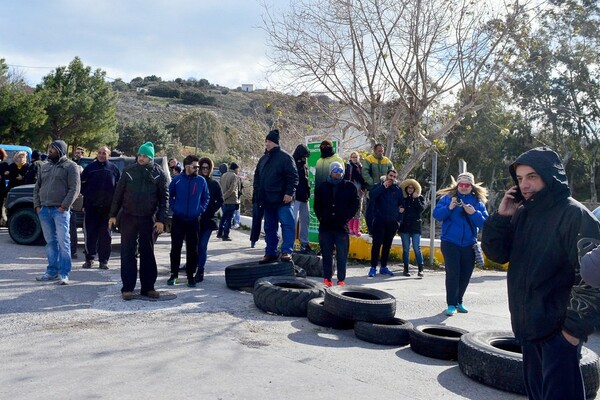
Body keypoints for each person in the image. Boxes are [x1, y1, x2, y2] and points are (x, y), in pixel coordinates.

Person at [482, 147, 600, 400]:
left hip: (559, 333)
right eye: (521, 178)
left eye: (532, 176)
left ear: (550, 175)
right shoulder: (523, 212)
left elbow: (592, 280)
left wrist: (570, 333)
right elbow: (497, 254)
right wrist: (503, 216)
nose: (524, 184)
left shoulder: (575, 216)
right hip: (527, 330)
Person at [109, 142, 169, 300]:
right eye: (140, 155)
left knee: (147, 253)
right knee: (127, 252)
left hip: (148, 219)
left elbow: (165, 199)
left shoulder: (158, 174)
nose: (141, 158)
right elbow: (118, 194)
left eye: (145, 156)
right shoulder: (128, 171)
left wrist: (161, 220)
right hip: (128, 217)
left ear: (151, 158)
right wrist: (113, 215)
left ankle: (148, 287)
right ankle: (127, 288)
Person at [433, 172, 488, 316]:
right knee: (453, 273)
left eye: (467, 185)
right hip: (450, 242)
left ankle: (459, 302)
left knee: (466, 274)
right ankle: (451, 304)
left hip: (469, 243)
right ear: (457, 185)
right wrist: (449, 208)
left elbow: (484, 223)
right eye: (461, 184)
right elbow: (437, 215)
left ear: (472, 186)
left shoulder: (477, 202)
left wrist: (474, 212)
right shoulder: (448, 198)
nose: (463, 187)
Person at [33, 140, 81, 285]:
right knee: (50, 242)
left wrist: (63, 207)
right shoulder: (44, 166)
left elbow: (75, 189)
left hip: (60, 211)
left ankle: (64, 273)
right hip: (44, 210)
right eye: (49, 148)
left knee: (63, 242)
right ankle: (51, 272)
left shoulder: (70, 166)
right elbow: (37, 187)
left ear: (60, 150)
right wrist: (37, 206)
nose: (50, 151)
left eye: (53, 148)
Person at [253, 129, 299, 263]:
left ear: (274, 142)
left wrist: (289, 193)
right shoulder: (263, 159)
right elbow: (257, 177)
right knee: (269, 227)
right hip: (267, 201)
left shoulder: (285, 157)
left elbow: (293, 177)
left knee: (287, 225)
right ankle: (270, 252)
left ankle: (286, 252)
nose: (266, 144)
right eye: (266, 141)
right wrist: (257, 194)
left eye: (268, 141)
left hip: (283, 200)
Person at [314, 162, 359, 286]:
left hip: (341, 228)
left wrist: (345, 217)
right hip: (325, 227)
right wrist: (322, 218)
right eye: (335, 170)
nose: (338, 172)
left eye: (340, 170)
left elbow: (355, 204)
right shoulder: (322, 186)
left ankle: (341, 280)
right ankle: (327, 278)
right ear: (330, 172)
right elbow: (317, 205)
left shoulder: (350, 187)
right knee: (326, 254)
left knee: (342, 255)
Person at [167, 155, 209, 287]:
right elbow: (170, 195)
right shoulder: (177, 180)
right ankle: (174, 274)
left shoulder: (201, 181)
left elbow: (206, 197)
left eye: (198, 166)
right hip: (178, 219)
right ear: (186, 166)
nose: (197, 168)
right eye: (195, 166)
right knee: (176, 248)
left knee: (193, 249)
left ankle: (190, 276)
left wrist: (200, 210)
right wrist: (175, 208)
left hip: (193, 219)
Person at [80, 146, 120, 270]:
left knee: (106, 236)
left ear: (109, 155)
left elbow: (118, 188)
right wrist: (86, 200)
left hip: (108, 209)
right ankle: (89, 259)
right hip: (91, 207)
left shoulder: (113, 169)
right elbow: (81, 185)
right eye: (100, 153)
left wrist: (115, 207)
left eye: (104, 153)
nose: (101, 155)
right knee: (90, 234)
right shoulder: (89, 168)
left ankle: (104, 261)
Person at [368, 169, 403, 278]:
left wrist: (399, 221)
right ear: (386, 175)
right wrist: (383, 187)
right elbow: (372, 195)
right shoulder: (378, 186)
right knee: (377, 244)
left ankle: (383, 266)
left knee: (387, 246)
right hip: (379, 220)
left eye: (394, 176)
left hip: (392, 222)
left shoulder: (397, 190)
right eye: (390, 175)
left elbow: (402, 206)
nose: (392, 178)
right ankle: (373, 267)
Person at [196, 157, 223, 282]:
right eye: (202, 168)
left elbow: (220, 200)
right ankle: (193, 266)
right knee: (194, 245)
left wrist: (212, 209)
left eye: (207, 168)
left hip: (208, 220)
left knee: (202, 246)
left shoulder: (214, 184)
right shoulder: (195, 181)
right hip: (194, 219)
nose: (205, 170)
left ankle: (200, 269)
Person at [361, 143, 394, 233]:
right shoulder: (369, 159)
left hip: (384, 189)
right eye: (379, 150)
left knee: (383, 209)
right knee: (371, 210)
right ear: (375, 150)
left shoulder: (387, 161)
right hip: (372, 189)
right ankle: (371, 230)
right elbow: (365, 173)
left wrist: (389, 182)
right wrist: (372, 183)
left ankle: (382, 229)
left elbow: (392, 173)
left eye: (382, 151)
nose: (381, 152)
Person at [398, 179, 425, 277]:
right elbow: (398, 208)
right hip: (404, 226)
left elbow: (421, 209)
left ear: (415, 188)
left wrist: (416, 198)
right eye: (408, 187)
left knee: (417, 248)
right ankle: (406, 269)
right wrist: (399, 211)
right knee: (406, 248)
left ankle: (421, 269)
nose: (410, 189)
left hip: (415, 227)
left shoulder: (420, 197)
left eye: (412, 187)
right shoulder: (402, 198)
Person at [292, 144, 315, 254]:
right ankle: (288, 244)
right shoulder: (293, 164)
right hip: (295, 197)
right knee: (292, 221)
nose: (305, 158)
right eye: (304, 156)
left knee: (305, 220)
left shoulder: (304, 165)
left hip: (304, 197)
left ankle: (304, 244)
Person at [344, 151, 367, 236]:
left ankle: (356, 229)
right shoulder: (348, 167)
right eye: (353, 157)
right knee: (350, 209)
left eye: (356, 157)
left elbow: (363, 179)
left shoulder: (361, 167)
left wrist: (363, 187)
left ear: (358, 158)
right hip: (350, 191)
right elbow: (346, 179)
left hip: (359, 191)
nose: (354, 159)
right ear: (350, 158)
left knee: (358, 209)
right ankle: (350, 228)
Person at [218, 162, 241, 241]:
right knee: (229, 218)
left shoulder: (223, 175)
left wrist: (222, 197)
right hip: (231, 200)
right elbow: (232, 189)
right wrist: (225, 197)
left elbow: (220, 187)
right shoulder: (234, 176)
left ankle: (220, 232)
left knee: (223, 217)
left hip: (224, 201)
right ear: (235, 169)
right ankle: (226, 235)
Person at [0, 148, 9, 224]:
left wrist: (5, 174)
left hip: (1, 189)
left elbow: (9, 173)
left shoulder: (4, 164)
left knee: (1, 206)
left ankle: (2, 222)